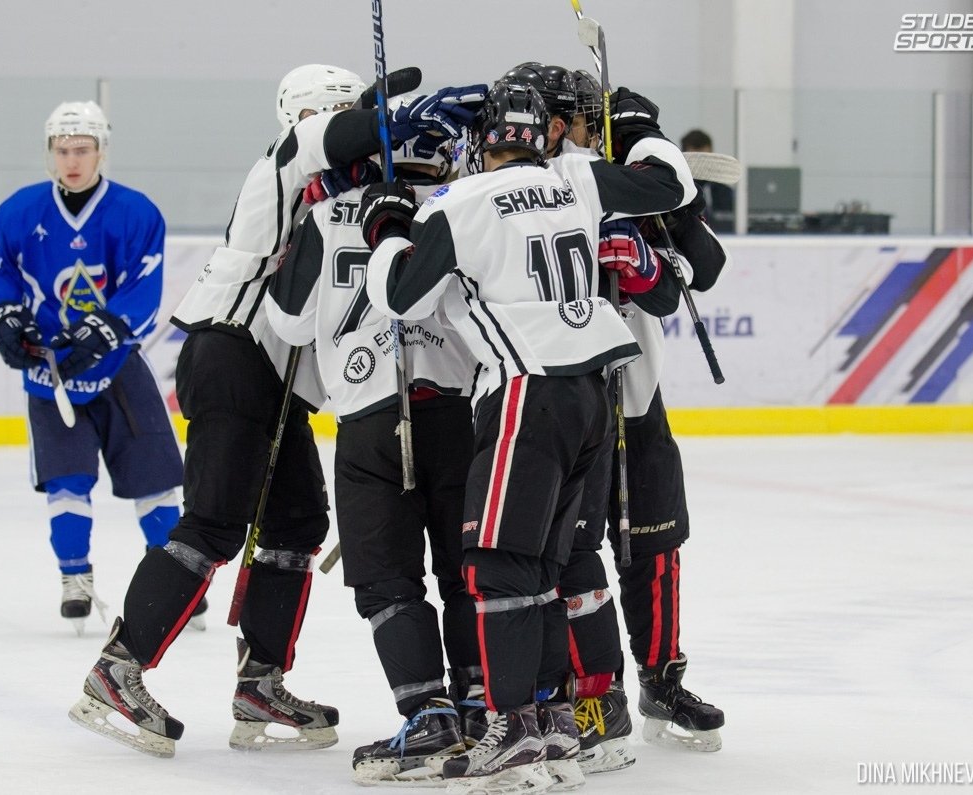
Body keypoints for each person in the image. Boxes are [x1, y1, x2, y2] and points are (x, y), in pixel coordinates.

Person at [67, 65, 485, 759]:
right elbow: (340, 141)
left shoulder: (336, 184)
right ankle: (118, 667)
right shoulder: (285, 160)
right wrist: (403, 117)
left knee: (297, 520)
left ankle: (260, 680)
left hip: (274, 377)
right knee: (215, 521)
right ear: (315, 112)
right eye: (349, 112)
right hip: (231, 354)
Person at [360, 80, 693, 794]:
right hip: (593, 397)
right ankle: (555, 723)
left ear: (482, 143)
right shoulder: (576, 178)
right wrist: (634, 127)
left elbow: (397, 298)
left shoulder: (461, 203)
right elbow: (671, 184)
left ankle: (512, 727)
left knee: (499, 564)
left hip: (525, 391)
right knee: (546, 564)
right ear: (545, 135)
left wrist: (387, 226)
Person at [266, 113, 484, 785]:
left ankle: (427, 712)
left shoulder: (329, 213)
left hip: (367, 419)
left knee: (388, 580)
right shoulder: (462, 209)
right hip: (452, 413)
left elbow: (288, 320)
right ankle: (482, 703)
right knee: (464, 568)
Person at [0, 100, 187, 637]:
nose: (73, 160)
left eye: (83, 149)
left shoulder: (136, 212)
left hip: (118, 369)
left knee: (156, 480)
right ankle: (75, 577)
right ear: (50, 152)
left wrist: (108, 328)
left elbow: (145, 286)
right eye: (63, 149)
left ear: (101, 151)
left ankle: (173, 583)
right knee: (66, 482)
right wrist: (5, 317)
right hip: (52, 373)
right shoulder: (19, 211)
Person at [565, 89, 729, 758]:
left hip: (634, 389)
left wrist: (660, 167)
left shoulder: (644, 184)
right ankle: (575, 690)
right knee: (564, 551)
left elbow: (706, 266)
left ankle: (662, 678)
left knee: (655, 538)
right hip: (559, 390)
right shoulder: (550, 179)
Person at [680, 128, 735, 234]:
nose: (701, 163)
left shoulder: (724, 192)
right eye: (697, 158)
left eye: (705, 157)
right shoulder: (678, 191)